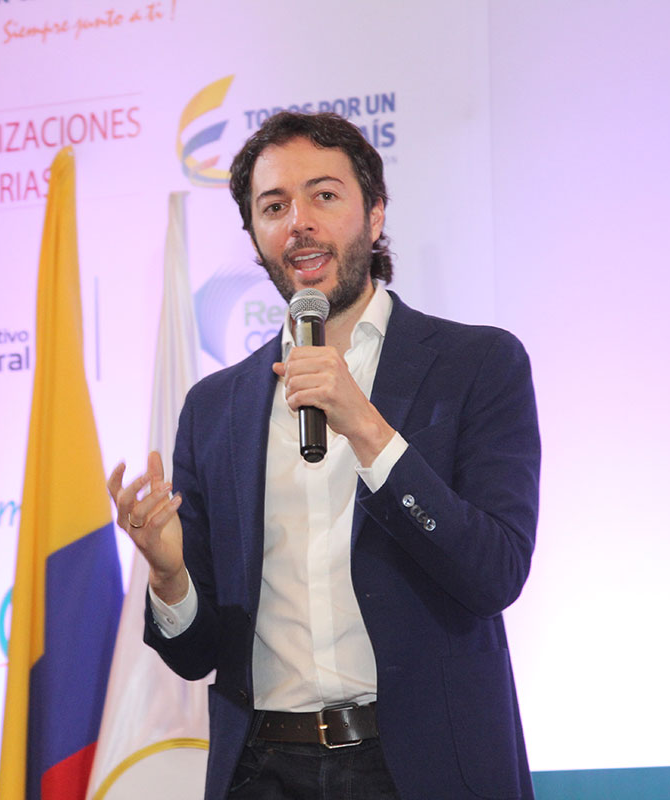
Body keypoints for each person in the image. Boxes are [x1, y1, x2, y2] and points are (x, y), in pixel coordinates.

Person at [107, 111, 540, 800]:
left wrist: (367, 427)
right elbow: (196, 655)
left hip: (419, 769)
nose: (299, 223)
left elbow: (495, 574)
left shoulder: (477, 364)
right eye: (274, 206)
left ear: (375, 213)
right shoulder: (214, 407)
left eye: (324, 195)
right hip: (263, 771)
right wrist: (168, 575)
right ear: (255, 236)